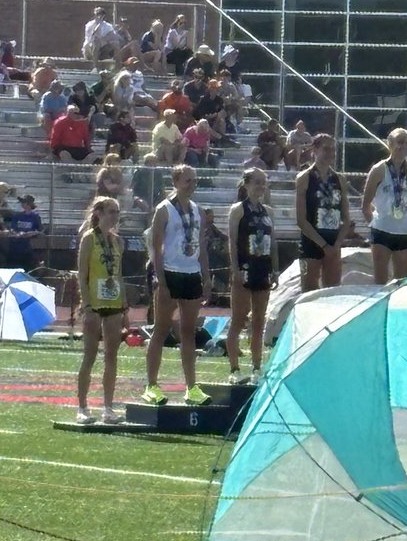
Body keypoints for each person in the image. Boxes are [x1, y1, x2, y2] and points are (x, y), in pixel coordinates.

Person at [142, 164, 211, 406]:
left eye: (194, 181)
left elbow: (201, 246)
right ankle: (151, 384)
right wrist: (161, 279)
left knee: (188, 333)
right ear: (176, 181)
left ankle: (191, 386)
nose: (192, 185)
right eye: (187, 180)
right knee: (161, 330)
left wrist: (207, 276)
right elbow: (156, 249)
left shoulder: (197, 210)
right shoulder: (164, 210)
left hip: (191, 273)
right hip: (170, 273)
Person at [76, 196, 127, 424]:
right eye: (110, 211)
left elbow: (118, 274)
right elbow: (82, 274)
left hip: (113, 301)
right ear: (99, 213)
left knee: (111, 355)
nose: (114, 216)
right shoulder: (89, 239)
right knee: (90, 355)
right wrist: (86, 304)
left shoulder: (117, 241)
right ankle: (83, 407)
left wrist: (124, 305)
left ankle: (108, 407)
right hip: (94, 303)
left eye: (117, 212)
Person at [226, 167, 278, 384]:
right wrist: (235, 269)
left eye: (263, 182)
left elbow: (273, 243)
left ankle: (257, 367)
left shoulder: (269, 212)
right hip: (244, 268)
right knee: (238, 319)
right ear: (246, 184)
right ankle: (234, 369)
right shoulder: (238, 210)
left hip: (262, 269)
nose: (260, 186)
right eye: (256, 182)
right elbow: (232, 241)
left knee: (259, 320)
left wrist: (275, 269)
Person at [362, 127, 407, 285]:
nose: (404, 147)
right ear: (390, 144)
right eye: (400, 142)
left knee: (402, 282)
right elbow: (365, 204)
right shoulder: (379, 169)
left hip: (403, 232)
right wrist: (374, 226)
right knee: (380, 282)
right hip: (382, 231)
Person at [295, 132, 349, 292]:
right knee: (309, 293)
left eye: (333, 149)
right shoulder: (304, 178)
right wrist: (324, 245)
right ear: (315, 150)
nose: (330, 153)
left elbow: (346, 218)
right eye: (326, 149)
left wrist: (337, 244)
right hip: (311, 242)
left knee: (332, 293)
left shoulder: (340, 179)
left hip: (334, 242)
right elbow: (301, 220)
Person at [8, 194, 42, 272]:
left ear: (29, 204)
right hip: (15, 245)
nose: (22, 204)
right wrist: (16, 233)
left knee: (27, 268)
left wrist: (31, 233)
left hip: (27, 246)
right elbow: (12, 228)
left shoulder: (35, 216)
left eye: (24, 202)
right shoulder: (17, 215)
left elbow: (39, 230)